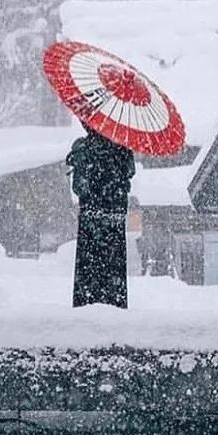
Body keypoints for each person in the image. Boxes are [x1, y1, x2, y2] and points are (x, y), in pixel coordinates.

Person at [66, 125, 135, 309]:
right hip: (114, 218)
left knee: (88, 274)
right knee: (114, 274)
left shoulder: (83, 148)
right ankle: (114, 307)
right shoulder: (122, 148)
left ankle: (87, 306)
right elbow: (128, 176)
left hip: (90, 218)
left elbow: (79, 188)